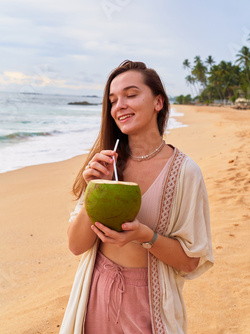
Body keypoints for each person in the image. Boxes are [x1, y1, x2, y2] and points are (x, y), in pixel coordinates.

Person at [60, 60, 213, 334]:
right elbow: (75, 245)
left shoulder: (185, 172)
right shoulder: (106, 164)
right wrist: (95, 189)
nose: (119, 105)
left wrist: (145, 236)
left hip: (148, 303)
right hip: (96, 290)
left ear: (158, 102)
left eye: (131, 95)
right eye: (113, 100)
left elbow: (190, 261)